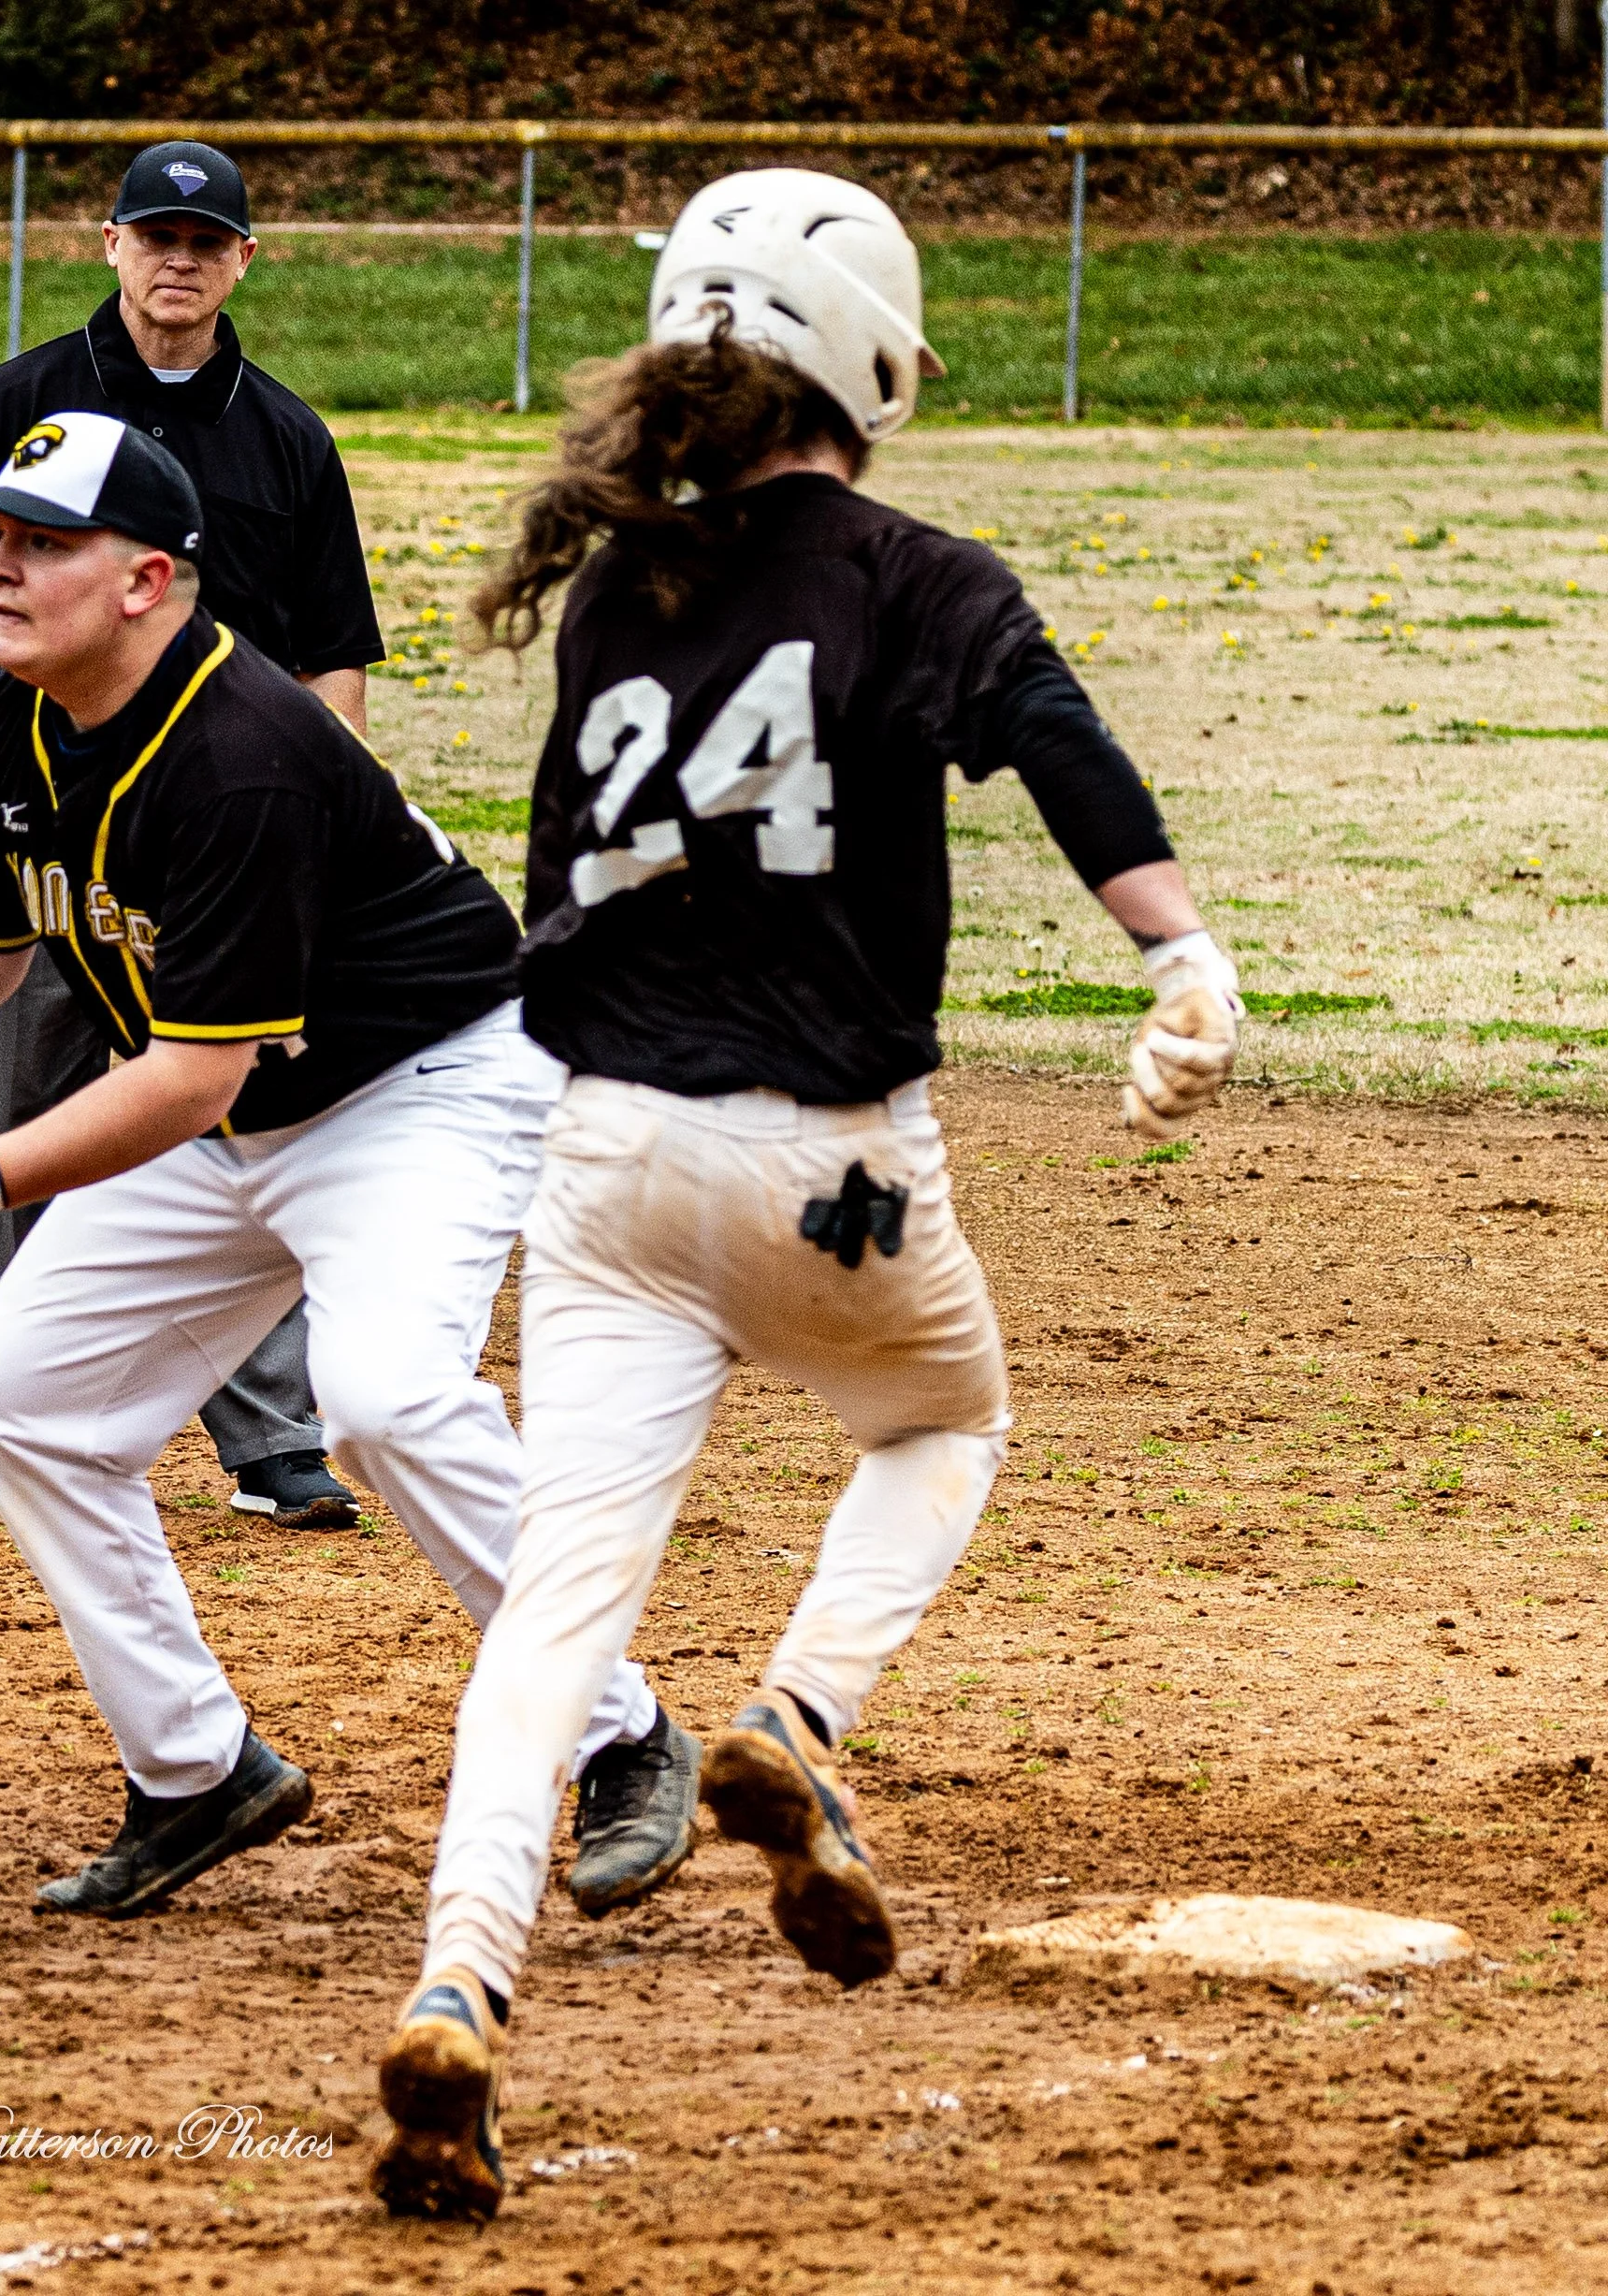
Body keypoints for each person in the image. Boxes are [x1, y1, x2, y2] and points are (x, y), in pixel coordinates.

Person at [371, 169, 1243, 2219]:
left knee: (556, 1622)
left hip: (593, 1158)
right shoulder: (915, 573)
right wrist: (1179, 954)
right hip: (827, 1155)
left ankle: (458, 1992)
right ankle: (794, 1715)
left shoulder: (620, 590)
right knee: (944, 1417)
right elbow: (1057, 743)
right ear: (863, 355)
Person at [0, 413, 699, 1922]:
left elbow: (186, 1075)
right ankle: (196, 1769)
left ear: (148, 580)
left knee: (383, 1394)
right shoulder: (15, 717)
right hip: (240, 1105)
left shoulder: (245, 749)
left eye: (44, 539)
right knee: (19, 1404)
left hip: (422, 1089)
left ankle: (623, 1735)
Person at [0, 138, 381, 1528]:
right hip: (51, 821)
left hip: (225, 844)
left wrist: (315, 819)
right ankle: (17, 1413)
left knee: (244, 1116)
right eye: (154, 232)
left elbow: (335, 649)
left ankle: (271, 1434)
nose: (178, 256)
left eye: (205, 237)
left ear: (242, 260)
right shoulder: (20, 401)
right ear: (109, 243)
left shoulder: (288, 438)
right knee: (27, 1109)